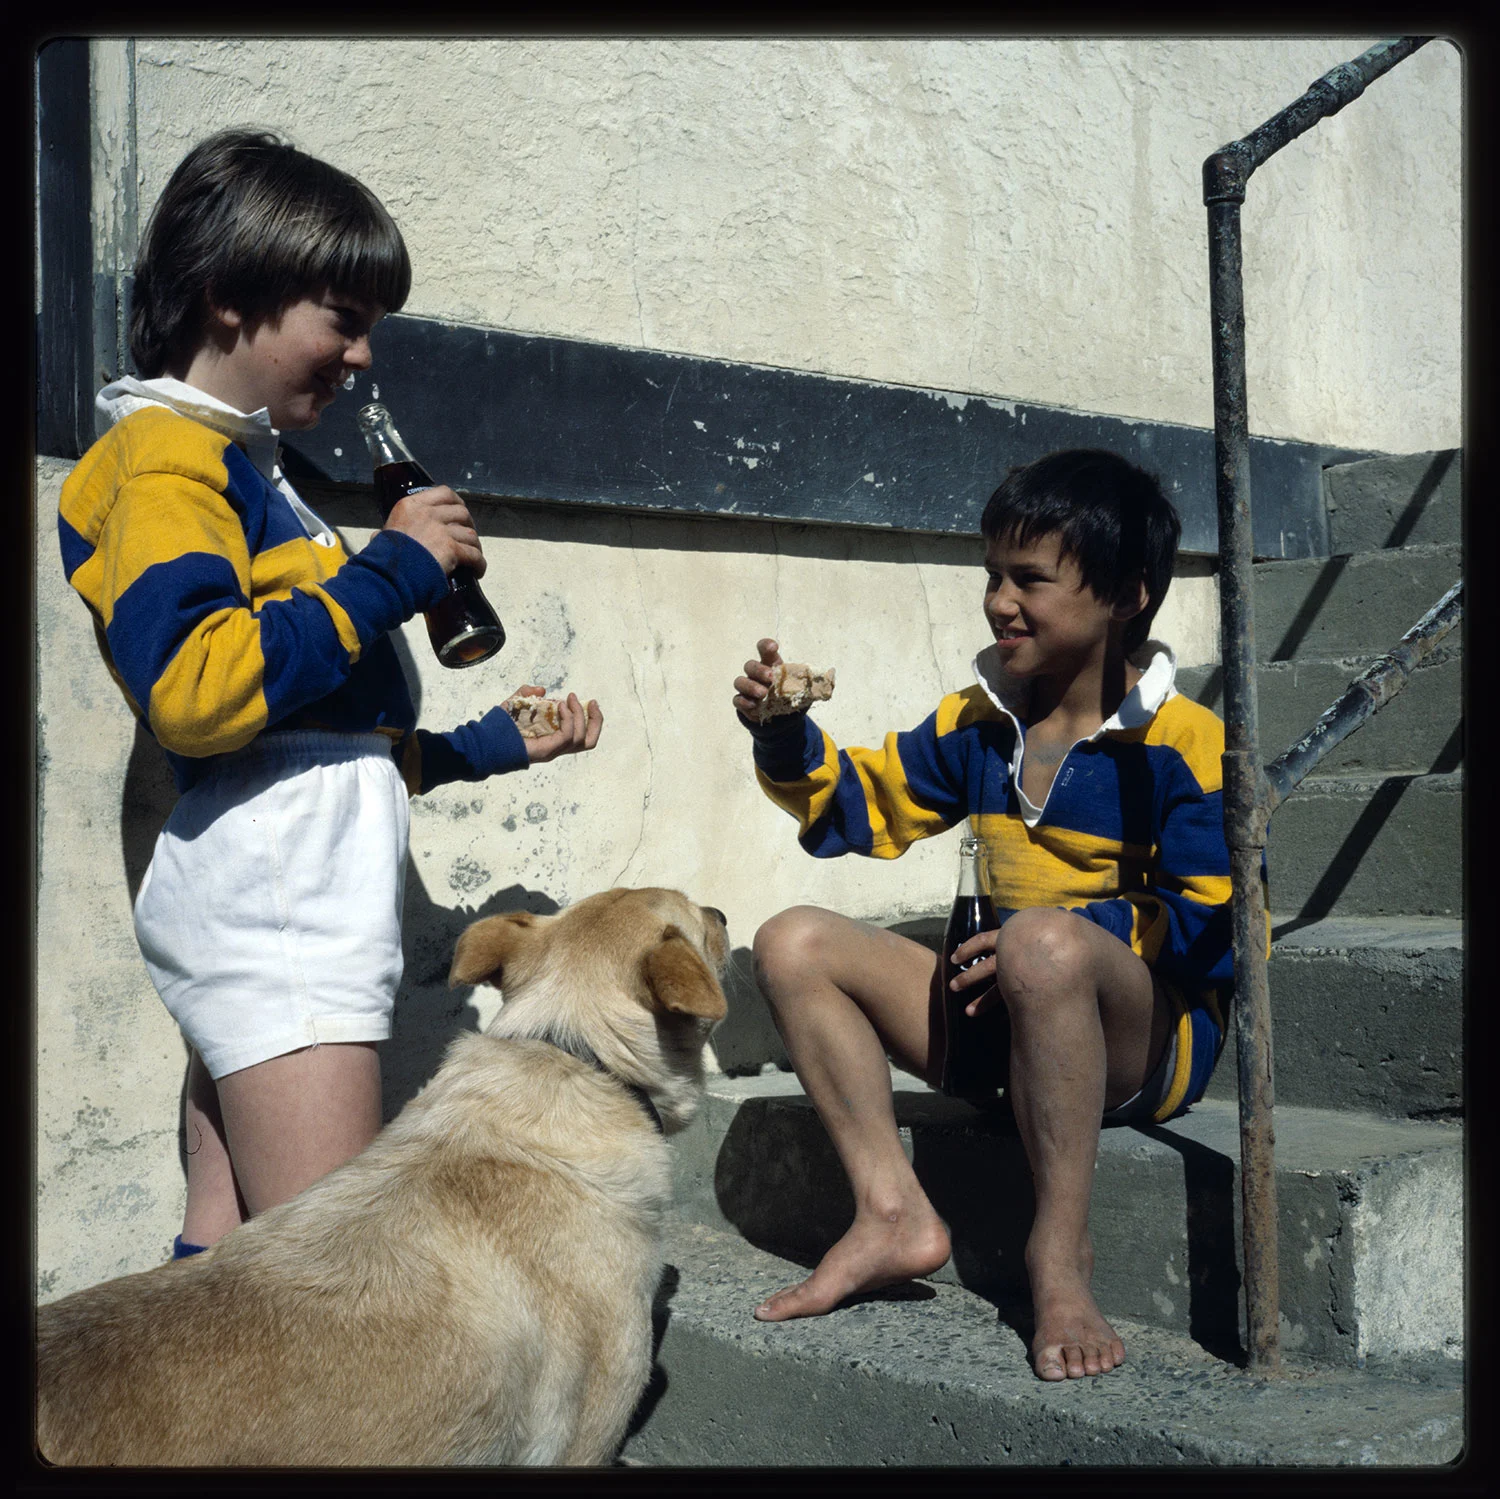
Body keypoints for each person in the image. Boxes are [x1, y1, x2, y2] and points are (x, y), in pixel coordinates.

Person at [58, 128, 603, 1259]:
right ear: (227, 301)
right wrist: (393, 570)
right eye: (342, 319)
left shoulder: (250, 469)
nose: (361, 357)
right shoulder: (168, 460)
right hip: (282, 911)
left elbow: (323, 748)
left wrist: (494, 745)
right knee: (332, 1278)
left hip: (274, 890)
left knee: (234, 1252)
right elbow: (197, 693)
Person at [732, 449, 1257, 1381]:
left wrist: (1065, 935)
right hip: (998, 1024)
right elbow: (858, 804)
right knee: (791, 940)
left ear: (1127, 595)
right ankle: (892, 1210)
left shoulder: (1187, 743)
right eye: (991, 575)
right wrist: (782, 730)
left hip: (1139, 1046)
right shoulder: (979, 722)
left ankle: (1057, 1256)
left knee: (1045, 941)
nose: (998, 601)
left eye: (1030, 580)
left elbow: (1212, 925)